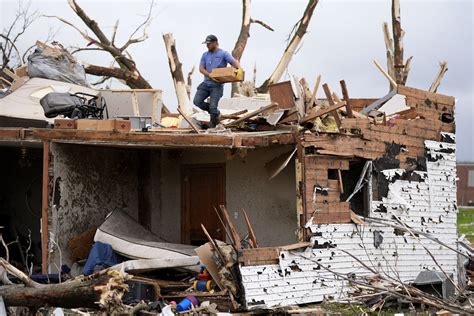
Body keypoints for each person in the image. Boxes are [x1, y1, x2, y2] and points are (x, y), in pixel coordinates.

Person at [194, 34, 241, 127]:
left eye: (209, 44)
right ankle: (215, 112)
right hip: (206, 83)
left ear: (215, 43)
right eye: (206, 44)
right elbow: (201, 68)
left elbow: (233, 62)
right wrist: (209, 74)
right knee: (197, 101)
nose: (207, 46)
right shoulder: (205, 55)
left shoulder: (223, 54)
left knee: (212, 106)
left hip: (217, 85)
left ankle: (213, 123)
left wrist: (239, 69)